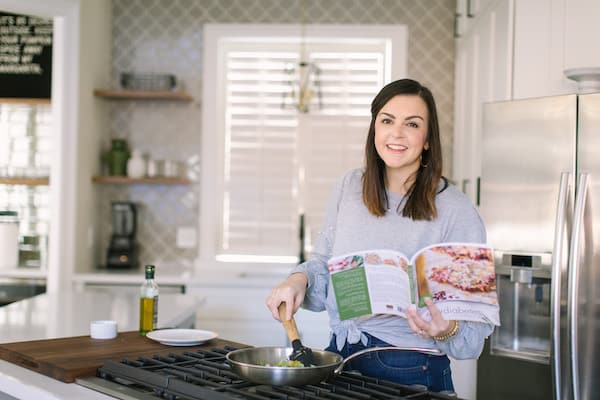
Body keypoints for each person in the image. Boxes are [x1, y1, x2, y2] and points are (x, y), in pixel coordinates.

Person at [265, 78, 494, 393]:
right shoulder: (350, 187)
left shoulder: (455, 209)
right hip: (341, 357)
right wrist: (298, 279)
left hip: (412, 368)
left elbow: (471, 340)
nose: (397, 133)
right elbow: (325, 266)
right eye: (387, 120)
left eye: (412, 124)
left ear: (427, 139)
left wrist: (445, 329)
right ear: (375, 129)